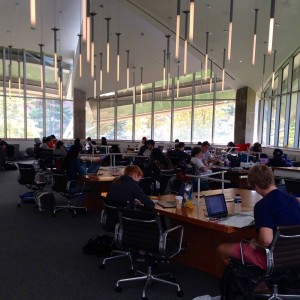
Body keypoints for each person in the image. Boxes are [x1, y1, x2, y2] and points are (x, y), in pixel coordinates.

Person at [217, 164, 300, 270]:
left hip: (272, 259)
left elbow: (266, 240)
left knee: (221, 249)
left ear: (256, 186)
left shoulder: (263, 205)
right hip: (296, 256)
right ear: (272, 180)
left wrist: (256, 244)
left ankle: (249, 280)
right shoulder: (293, 200)